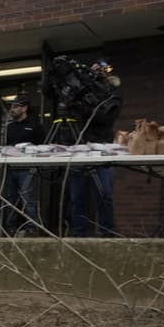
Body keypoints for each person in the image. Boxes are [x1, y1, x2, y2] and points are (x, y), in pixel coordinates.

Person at [68, 67, 122, 236]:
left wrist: (87, 109)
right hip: (79, 149)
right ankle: (79, 233)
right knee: (77, 197)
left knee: (104, 194)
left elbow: (105, 118)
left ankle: (107, 232)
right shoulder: (80, 92)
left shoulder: (113, 94)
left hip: (102, 148)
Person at [2, 94, 41, 236]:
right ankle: (10, 227)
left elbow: (42, 146)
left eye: (16, 106)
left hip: (27, 168)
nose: (12, 109)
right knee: (10, 198)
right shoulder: (10, 127)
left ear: (24, 108)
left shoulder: (34, 125)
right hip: (11, 167)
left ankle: (32, 227)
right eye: (12, 106)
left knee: (28, 198)